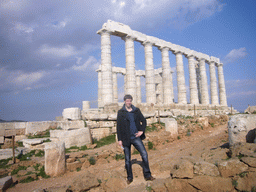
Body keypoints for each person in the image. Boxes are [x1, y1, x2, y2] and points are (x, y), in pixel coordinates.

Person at [117, 94, 155, 184]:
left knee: (144, 154)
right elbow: (118, 126)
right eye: (127, 101)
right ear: (124, 101)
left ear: (131, 101)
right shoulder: (121, 112)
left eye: (130, 101)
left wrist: (141, 130)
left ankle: (148, 175)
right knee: (127, 159)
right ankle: (129, 177)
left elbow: (143, 120)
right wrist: (119, 139)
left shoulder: (136, 110)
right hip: (125, 138)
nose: (128, 102)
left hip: (135, 137)